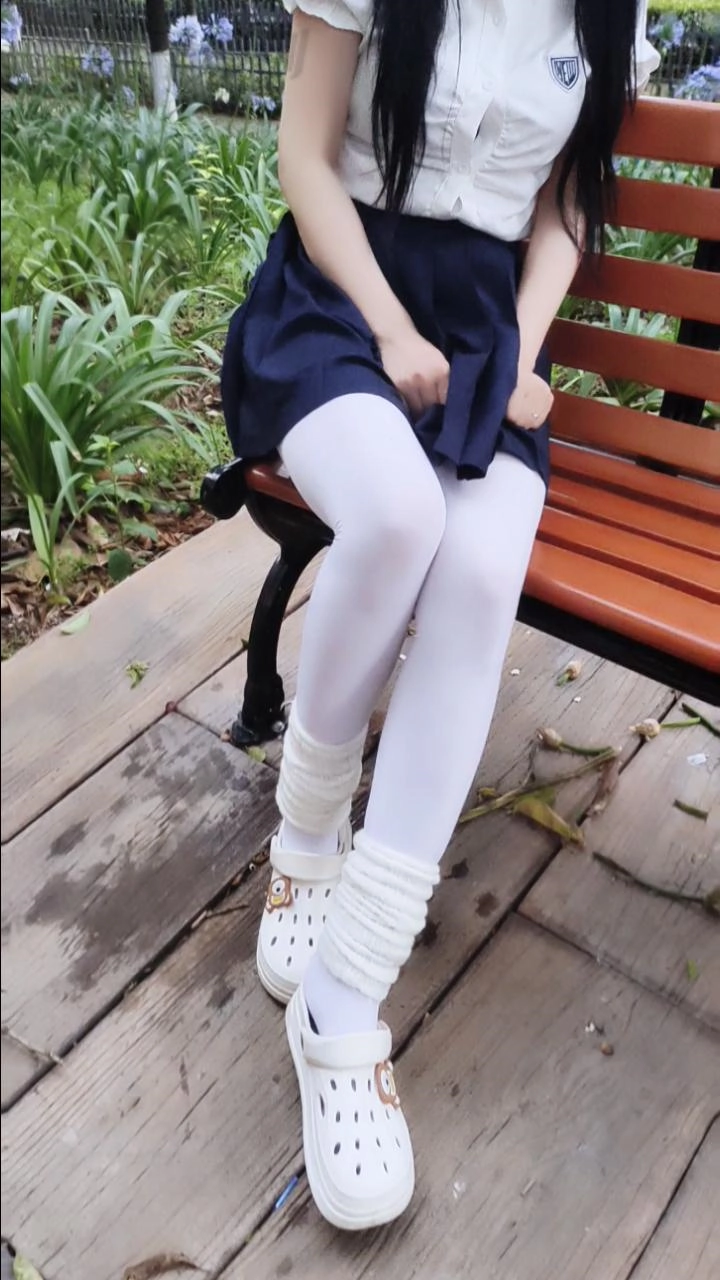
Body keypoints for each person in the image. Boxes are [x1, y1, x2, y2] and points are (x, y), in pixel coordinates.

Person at [221, 0, 659, 1232]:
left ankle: (346, 1000)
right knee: (402, 516)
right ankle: (307, 834)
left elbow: (569, 202)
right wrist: (390, 326)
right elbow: (305, 156)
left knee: (475, 575)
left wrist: (520, 347)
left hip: (483, 323)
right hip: (337, 295)